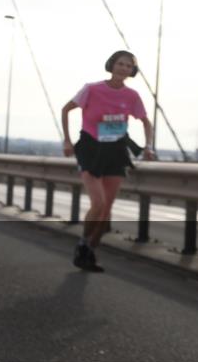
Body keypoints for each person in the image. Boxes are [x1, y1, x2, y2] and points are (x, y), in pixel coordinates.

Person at [62, 50, 154, 272]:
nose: (123, 68)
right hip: (90, 149)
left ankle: (91, 252)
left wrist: (148, 147)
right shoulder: (92, 89)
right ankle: (83, 245)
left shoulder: (132, 96)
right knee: (98, 203)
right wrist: (67, 141)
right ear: (112, 65)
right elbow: (66, 109)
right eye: (120, 64)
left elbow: (146, 122)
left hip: (116, 151)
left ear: (132, 71)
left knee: (107, 210)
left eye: (128, 66)